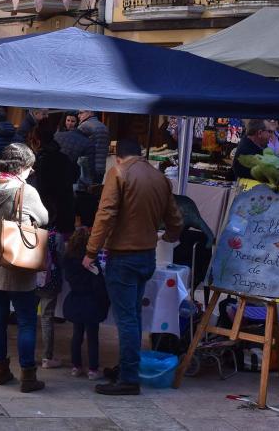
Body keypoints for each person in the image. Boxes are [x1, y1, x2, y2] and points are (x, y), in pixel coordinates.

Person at [86, 139, 183, 396]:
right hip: (147, 256)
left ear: (118, 157)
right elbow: (175, 216)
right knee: (134, 317)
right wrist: (172, 235)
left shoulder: (118, 173)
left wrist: (90, 251)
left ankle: (128, 377)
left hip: (123, 256)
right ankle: (128, 367)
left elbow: (105, 214)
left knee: (127, 319)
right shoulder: (159, 177)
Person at [0, 143, 48, 393]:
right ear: (22, 167)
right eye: (30, 167)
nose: (31, 172)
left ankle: (1, 370)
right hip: (16, 260)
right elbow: (44, 218)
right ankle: (28, 375)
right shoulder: (25, 190)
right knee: (27, 320)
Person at [63, 228, 110, 380]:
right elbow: (97, 285)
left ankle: (76, 366)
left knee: (77, 335)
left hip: (76, 300)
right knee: (92, 337)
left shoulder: (68, 259)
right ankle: (93, 369)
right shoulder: (91, 260)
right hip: (92, 303)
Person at [27, 119, 78, 236]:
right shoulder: (64, 158)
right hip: (66, 214)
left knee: (48, 252)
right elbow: (74, 177)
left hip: (49, 218)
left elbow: (40, 191)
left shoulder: (40, 163)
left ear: (38, 142)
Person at [77, 110, 110, 185]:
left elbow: (77, 146)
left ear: (90, 113)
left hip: (87, 168)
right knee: (95, 191)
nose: (78, 115)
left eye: (81, 113)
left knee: (83, 193)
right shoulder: (104, 127)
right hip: (101, 167)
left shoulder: (84, 126)